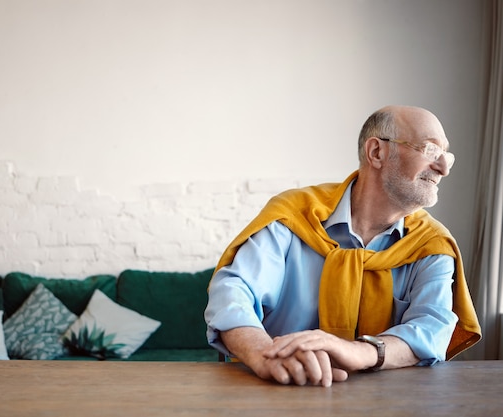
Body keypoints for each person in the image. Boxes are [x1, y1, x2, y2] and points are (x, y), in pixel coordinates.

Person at [204, 105, 481, 387]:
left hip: (390, 400)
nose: (444, 168)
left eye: (446, 155)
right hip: (279, 388)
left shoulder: (431, 243)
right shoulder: (293, 215)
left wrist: (358, 351)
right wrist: (263, 353)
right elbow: (233, 291)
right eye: (430, 150)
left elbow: (432, 328)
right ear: (377, 152)